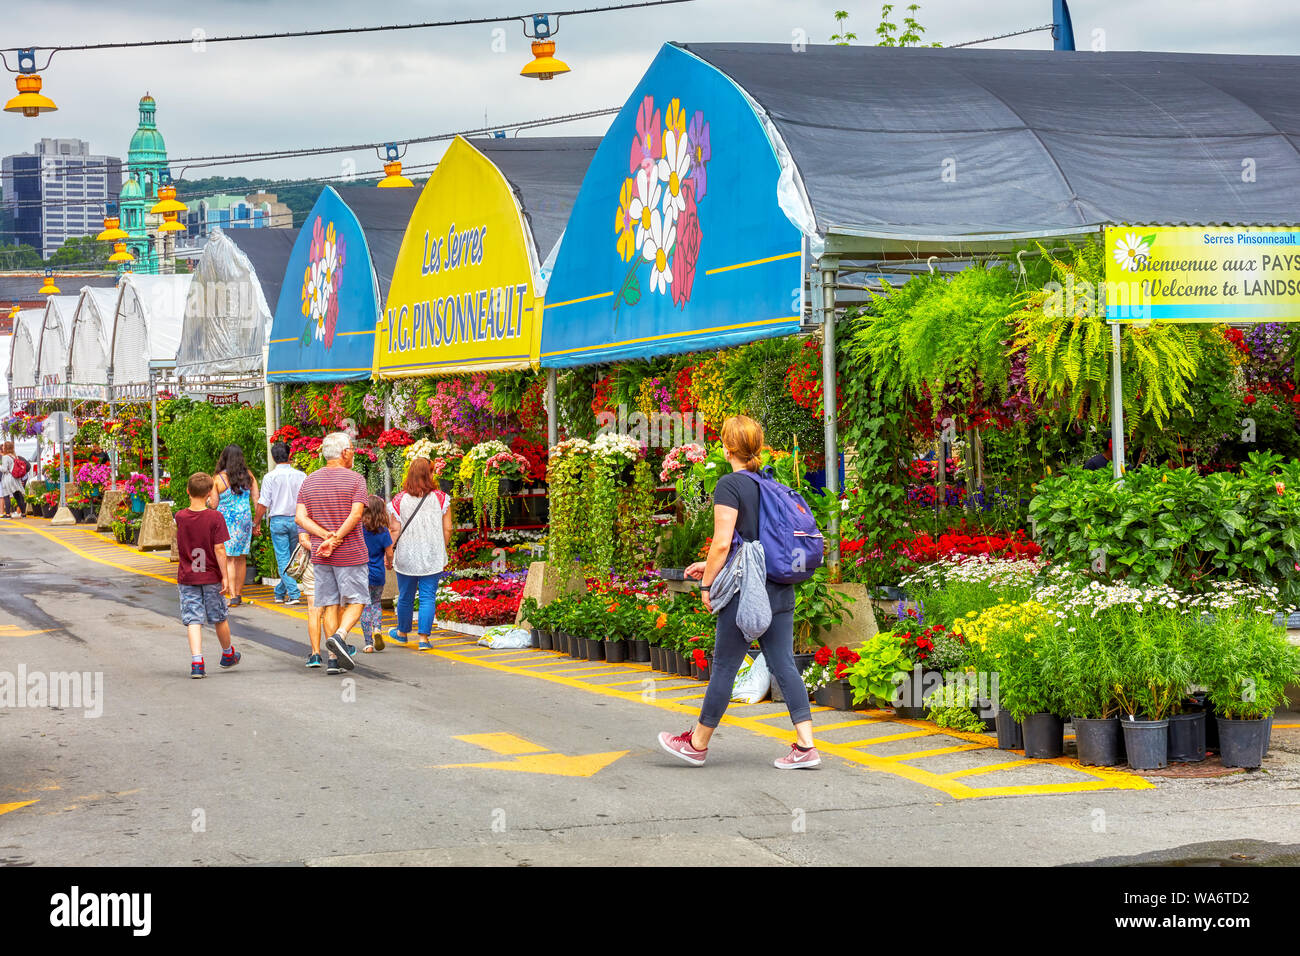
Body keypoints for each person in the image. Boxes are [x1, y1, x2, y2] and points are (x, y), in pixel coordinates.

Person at [659, 415, 820, 770]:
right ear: (756, 447)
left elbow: (722, 544)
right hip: (778, 584)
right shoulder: (769, 483)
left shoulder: (730, 484)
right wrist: (710, 564)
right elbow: (747, 542)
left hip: (746, 589)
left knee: (726, 667)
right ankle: (806, 746)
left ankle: (697, 744)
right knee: (783, 664)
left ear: (726, 447)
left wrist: (707, 582)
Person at [295, 431, 368, 674]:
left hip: (321, 554)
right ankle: (340, 636)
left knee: (330, 604)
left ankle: (334, 660)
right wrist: (335, 538)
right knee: (357, 600)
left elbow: (300, 518)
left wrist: (324, 537)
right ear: (345, 452)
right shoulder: (356, 479)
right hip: (351, 553)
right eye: (352, 449)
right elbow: (356, 514)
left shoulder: (309, 481)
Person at [175, 472, 241, 678]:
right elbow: (220, 549)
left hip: (188, 576)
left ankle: (197, 662)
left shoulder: (180, 516)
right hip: (211, 575)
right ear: (209, 493)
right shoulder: (215, 517)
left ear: (188, 491)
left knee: (193, 618)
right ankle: (228, 653)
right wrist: (226, 577)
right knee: (219, 617)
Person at [386, 457, 452, 651]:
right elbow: (447, 529)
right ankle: (423, 639)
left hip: (407, 555)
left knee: (405, 596)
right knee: (427, 597)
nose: (434, 475)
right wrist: (442, 547)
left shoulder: (398, 500)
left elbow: (394, 530)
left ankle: (402, 633)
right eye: (432, 471)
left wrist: (389, 554)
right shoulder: (441, 498)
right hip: (432, 554)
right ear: (427, 474)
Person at [207, 444, 259, 608]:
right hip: (244, 519)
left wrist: (207, 502)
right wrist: (256, 523)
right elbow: (257, 501)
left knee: (229, 557)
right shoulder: (249, 476)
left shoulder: (217, 479)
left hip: (226, 520)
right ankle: (239, 594)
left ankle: (232, 594)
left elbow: (214, 504)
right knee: (241, 557)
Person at [256, 441, 307, 606]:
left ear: (273, 457)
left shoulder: (270, 477)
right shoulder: (301, 476)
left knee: (283, 559)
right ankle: (279, 592)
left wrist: (256, 521)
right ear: (290, 455)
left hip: (278, 520)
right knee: (291, 559)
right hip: (298, 519)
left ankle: (293, 594)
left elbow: (263, 503)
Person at [359, 495, 392, 653]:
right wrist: (389, 563)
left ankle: (368, 643)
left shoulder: (359, 530)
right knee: (376, 602)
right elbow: (389, 552)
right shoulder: (384, 532)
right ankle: (378, 628)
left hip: (361, 572)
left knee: (365, 606)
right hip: (378, 574)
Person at [1, 442, 27, 519]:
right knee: (18, 496)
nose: (2, 448)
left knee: (6, 496)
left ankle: (8, 514)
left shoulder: (5, 457)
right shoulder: (14, 456)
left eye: (3, 446)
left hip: (8, 478)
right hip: (15, 478)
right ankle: (23, 513)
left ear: (5, 448)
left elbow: (4, 469)